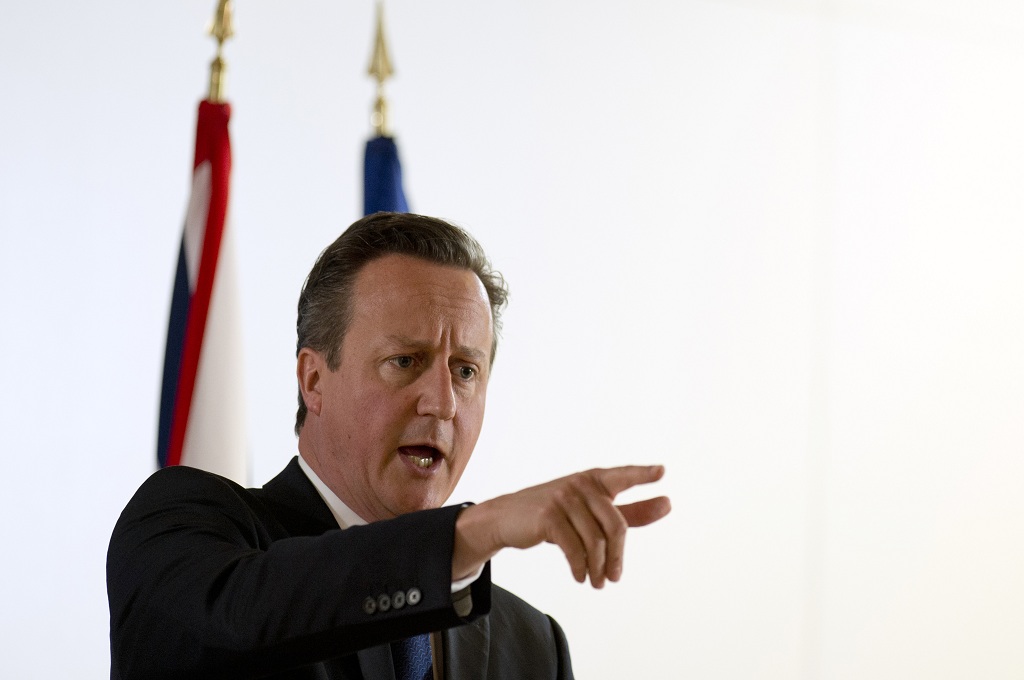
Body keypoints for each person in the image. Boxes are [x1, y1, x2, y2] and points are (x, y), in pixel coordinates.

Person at [107, 212, 671, 680]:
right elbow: (242, 621)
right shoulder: (186, 529)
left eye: (466, 370)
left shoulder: (533, 646)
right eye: (405, 361)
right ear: (313, 380)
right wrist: (474, 531)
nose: (443, 403)